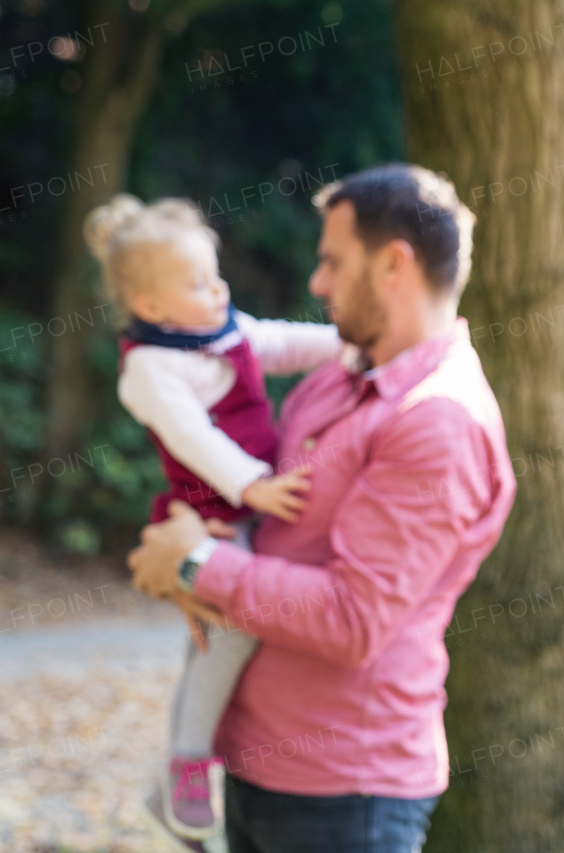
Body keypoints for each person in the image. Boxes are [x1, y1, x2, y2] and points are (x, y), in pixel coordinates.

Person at [127, 163, 517, 853]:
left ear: (394, 264)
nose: (317, 283)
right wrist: (207, 541)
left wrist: (195, 562)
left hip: (343, 792)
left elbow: (351, 617)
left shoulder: (438, 421)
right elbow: (274, 533)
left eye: (333, 261)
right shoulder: (337, 379)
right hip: (256, 763)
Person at [86, 194, 343, 842]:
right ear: (151, 308)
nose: (218, 288)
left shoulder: (222, 328)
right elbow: (191, 435)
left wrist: (348, 343)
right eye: (199, 282)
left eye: (216, 273)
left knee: (220, 634)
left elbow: (282, 341)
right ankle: (188, 760)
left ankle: (181, 773)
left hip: (242, 501)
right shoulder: (150, 366)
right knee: (228, 631)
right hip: (210, 510)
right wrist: (253, 484)